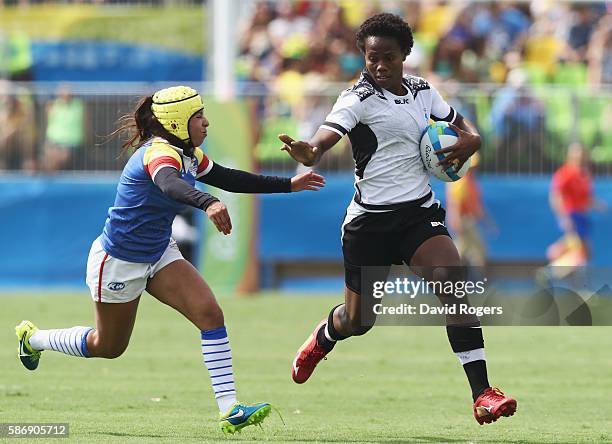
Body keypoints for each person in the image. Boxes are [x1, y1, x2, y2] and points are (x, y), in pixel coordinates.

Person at [15, 85, 325, 434]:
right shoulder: (159, 154)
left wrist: (288, 185)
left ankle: (230, 410)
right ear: (178, 122)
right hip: (119, 261)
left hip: (159, 253)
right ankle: (34, 339)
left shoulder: (188, 153)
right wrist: (208, 203)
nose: (206, 122)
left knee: (210, 314)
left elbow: (226, 177)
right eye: (198, 117)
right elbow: (168, 184)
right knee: (109, 346)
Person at [279, 13, 516, 425]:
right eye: (372, 58)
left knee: (453, 282)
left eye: (388, 56)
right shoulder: (357, 98)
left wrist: (472, 139)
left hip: (417, 215)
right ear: (363, 58)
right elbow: (325, 137)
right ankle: (324, 336)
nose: (379, 66)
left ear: (405, 54)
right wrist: (310, 151)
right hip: (369, 224)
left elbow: (459, 125)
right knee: (359, 321)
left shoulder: (423, 91)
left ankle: (483, 394)